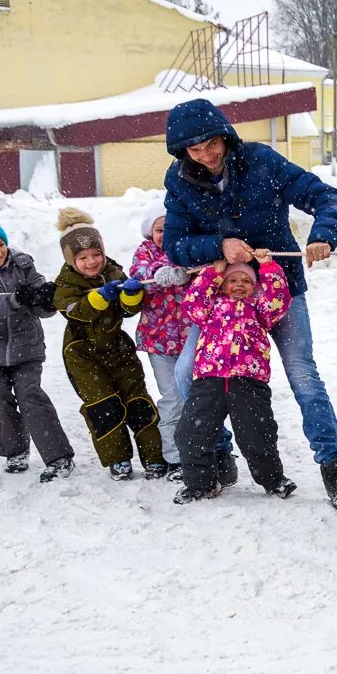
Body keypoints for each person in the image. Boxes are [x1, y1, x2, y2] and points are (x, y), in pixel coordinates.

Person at [161, 98, 337, 511]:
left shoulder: (261, 161)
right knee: (185, 374)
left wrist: (323, 235)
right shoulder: (179, 181)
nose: (206, 155)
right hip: (221, 302)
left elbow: (325, 196)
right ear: (183, 153)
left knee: (302, 373)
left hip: (277, 290)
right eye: (195, 150)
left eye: (211, 144)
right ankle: (220, 453)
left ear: (225, 136)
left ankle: (333, 464)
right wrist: (219, 245)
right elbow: (175, 245)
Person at [0, 210, 75, 483]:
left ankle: (59, 457)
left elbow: (42, 305)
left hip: (26, 346)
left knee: (30, 395)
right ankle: (16, 450)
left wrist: (45, 300)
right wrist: (18, 299)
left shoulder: (23, 265)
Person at [50, 208, 166, 480]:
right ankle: (118, 459)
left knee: (138, 400)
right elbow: (73, 310)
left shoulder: (114, 271)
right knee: (104, 405)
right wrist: (99, 298)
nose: (92, 262)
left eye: (96, 254)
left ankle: (153, 455)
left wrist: (132, 295)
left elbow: (127, 311)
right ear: (71, 259)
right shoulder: (66, 282)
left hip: (118, 347)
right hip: (82, 353)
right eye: (83, 257)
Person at [173, 254, 296, 503]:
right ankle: (200, 484)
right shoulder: (209, 308)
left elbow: (279, 301)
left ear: (254, 287)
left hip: (248, 382)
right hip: (209, 381)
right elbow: (193, 301)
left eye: (246, 281)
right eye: (232, 280)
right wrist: (213, 272)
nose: (239, 284)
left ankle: (273, 480)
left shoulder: (259, 310)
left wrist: (268, 267)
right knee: (191, 434)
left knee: (258, 435)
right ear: (222, 284)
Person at [128, 204, 191, 479]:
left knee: (195, 398)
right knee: (173, 398)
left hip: (192, 338)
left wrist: (186, 270)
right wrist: (162, 272)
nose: (164, 235)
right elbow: (139, 274)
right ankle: (174, 458)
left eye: (170, 228)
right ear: (149, 231)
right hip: (159, 341)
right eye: (159, 229)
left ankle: (202, 452)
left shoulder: (189, 248)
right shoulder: (145, 252)